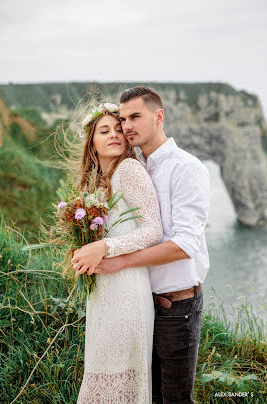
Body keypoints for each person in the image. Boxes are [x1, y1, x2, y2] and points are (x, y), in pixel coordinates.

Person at [85, 87, 211, 403]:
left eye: (134, 117)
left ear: (158, 116)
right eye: (122, 118)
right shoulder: (138, 164)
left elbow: (184, 244)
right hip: (142, 302)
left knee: (174, 398)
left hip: (175, 305)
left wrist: (119, 259)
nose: (126, 126)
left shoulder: (185, 167)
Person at [71, 102, 163, 404]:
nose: (114, 134)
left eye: (118, 129)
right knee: (101, 372)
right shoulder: (98, 182)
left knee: (121, 378)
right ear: (92, 143)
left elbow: (153, 230)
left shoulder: (129, 170)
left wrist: (104, 247)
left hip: (127, 292)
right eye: (104, 130)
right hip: (102, 294)